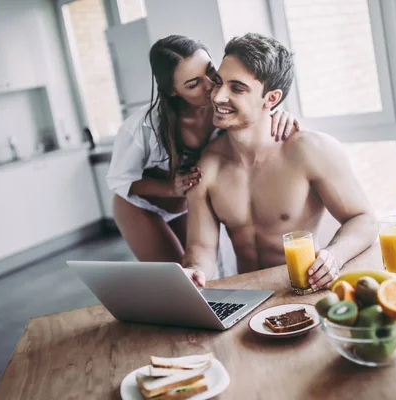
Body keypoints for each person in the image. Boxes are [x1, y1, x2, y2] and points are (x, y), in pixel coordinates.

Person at [182, 33, 377, 290]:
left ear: (271, 99)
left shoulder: (309, 150)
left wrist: (334, 256)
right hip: (249, 296)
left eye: (237, 88)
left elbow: (364, 219)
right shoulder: (208, 164)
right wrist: (195, 271)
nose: (217, 97)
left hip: (304, 290)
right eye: (218, 82)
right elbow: (201, 247)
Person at [107, 35, 300, 263]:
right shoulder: (141, 128)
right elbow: (119, 181)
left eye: (210, 71)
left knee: (199, 272)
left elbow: (256, 109)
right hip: (141, 204)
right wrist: (172, 188)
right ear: (173, 91)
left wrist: (277, 113)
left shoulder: (224, 109)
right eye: (193, 84)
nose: (210, 87)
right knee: (174, 279)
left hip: (185, 201)